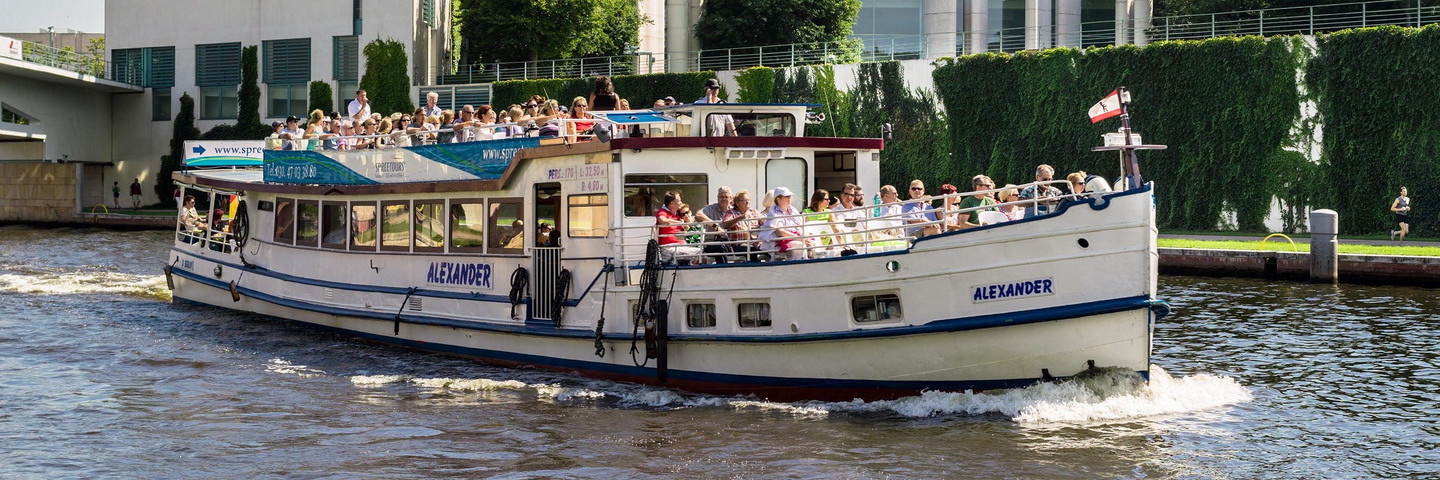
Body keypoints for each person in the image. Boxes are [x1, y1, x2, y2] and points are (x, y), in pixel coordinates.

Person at [759, 187, 806, 260]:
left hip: (797, 238)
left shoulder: (793, 210)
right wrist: (799, 238)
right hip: (781, 242)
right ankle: (800, 268)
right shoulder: (774, 213)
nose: (789, 198)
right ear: (778, 199)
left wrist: (804, 237)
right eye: (786, 196)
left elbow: (801, 225)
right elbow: (779, 231)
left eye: (790, 196)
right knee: (800, 245)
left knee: (814, 244)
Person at [697, 186, 741, 263]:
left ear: (731, 198)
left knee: (750, 248)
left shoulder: (734, 210)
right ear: (717, 198)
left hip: (731, 243)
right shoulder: (711, 208)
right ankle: (724, 271)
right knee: (720, 247)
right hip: (712, 243)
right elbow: (698, 215)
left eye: (726, 197)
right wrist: (715, 226)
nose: (723, 199)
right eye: (721, 197)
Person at [655, 190, 701, 263]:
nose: (681, 202)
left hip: (681, 245)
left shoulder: (677, 215)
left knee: (701, 252)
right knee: (698, 252)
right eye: (679, 201)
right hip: (669, 247)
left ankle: (694, 269)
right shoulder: (662, 212)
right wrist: (679, 223)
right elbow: (662, 220)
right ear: (672, 203)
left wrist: (686, 226)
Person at [725, 190, 764, 262]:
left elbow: (764, 222)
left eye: (748, 200)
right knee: (751, 249)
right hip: (739, 245)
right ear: (737, 203)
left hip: (756, 243)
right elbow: (725, 225)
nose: (748, 202)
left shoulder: (754, 212)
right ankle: (754, 269)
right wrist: (740, 217)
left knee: (770, 247)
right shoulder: (731, 212)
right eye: (745, 200)